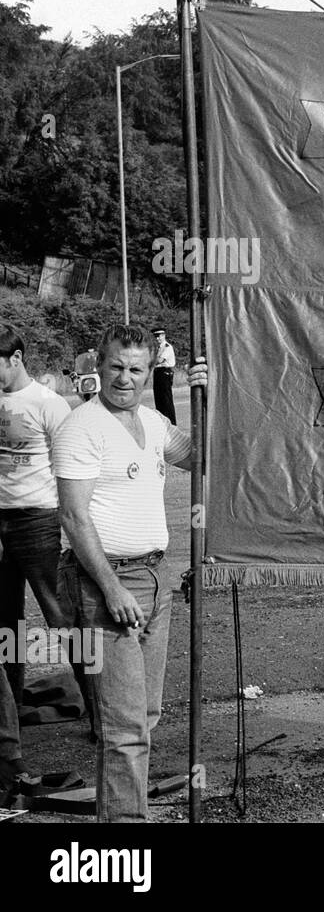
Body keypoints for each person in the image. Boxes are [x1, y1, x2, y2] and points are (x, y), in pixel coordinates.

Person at [52, 323, 205, 822]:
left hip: (156, 579)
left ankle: (126, 810)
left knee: (146, 714)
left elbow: (204, 457)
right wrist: (112, 586)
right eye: (116, 366)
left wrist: (207, 394)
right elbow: (73, 516)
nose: (125, 378)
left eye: (136, 369)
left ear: (149, 373)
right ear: (99, 367)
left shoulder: (154, 424)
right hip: (107, 585)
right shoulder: (82, 426)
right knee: (123, 728)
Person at [0, 324, 81, 806]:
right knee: (4, 627)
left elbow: (70, 467)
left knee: (61, 619)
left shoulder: (49, 404)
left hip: (38, 520)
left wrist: (72, 527)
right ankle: (9, 732)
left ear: (16, 357)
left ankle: (100, 715)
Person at [150, 328, 177, 425]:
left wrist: (149, 359)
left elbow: (159, 360)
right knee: (158, 399)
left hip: (165, 373)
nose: (157, 338)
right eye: (155, 336)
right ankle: (162, 422)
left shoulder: (167, 347)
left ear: (164, 335)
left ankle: (171, 423)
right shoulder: (157, 348)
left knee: (166, 400)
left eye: (159, 336)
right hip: (157, 372)